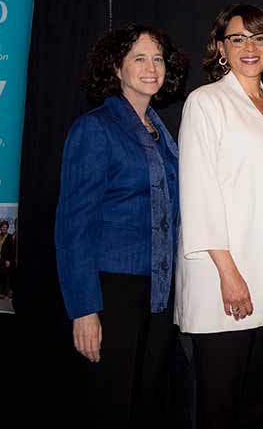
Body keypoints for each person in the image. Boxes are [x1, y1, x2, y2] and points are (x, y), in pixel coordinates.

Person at [175, 4, 263, 429]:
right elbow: (198, 192)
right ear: (221, 48)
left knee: (256, 404)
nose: (250, 47)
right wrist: (228, 272)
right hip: (225, 279)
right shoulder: (205, 103)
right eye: (238, 38)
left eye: (259, 37)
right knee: (219, 408)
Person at [55, 24, 187, 427]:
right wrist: (83, 310)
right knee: (110, 406)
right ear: (116, 67)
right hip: (113, 290)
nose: (152, 67)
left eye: (158, 58)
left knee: (148, 406)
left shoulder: (160, 130)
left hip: (157, 293)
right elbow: (73, 226)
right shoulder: (94, 128)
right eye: (139, 58)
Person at [0, 220, 15, 300]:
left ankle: (6, 293)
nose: (4, 229)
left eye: (5, 227)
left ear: (7, 228)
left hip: (6, 259)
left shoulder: (9, 236)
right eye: (2, 227)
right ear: (0, 228)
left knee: (6, 276)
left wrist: (9, 260)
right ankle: (1, 291)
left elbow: (11, 249)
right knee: (0, 276)